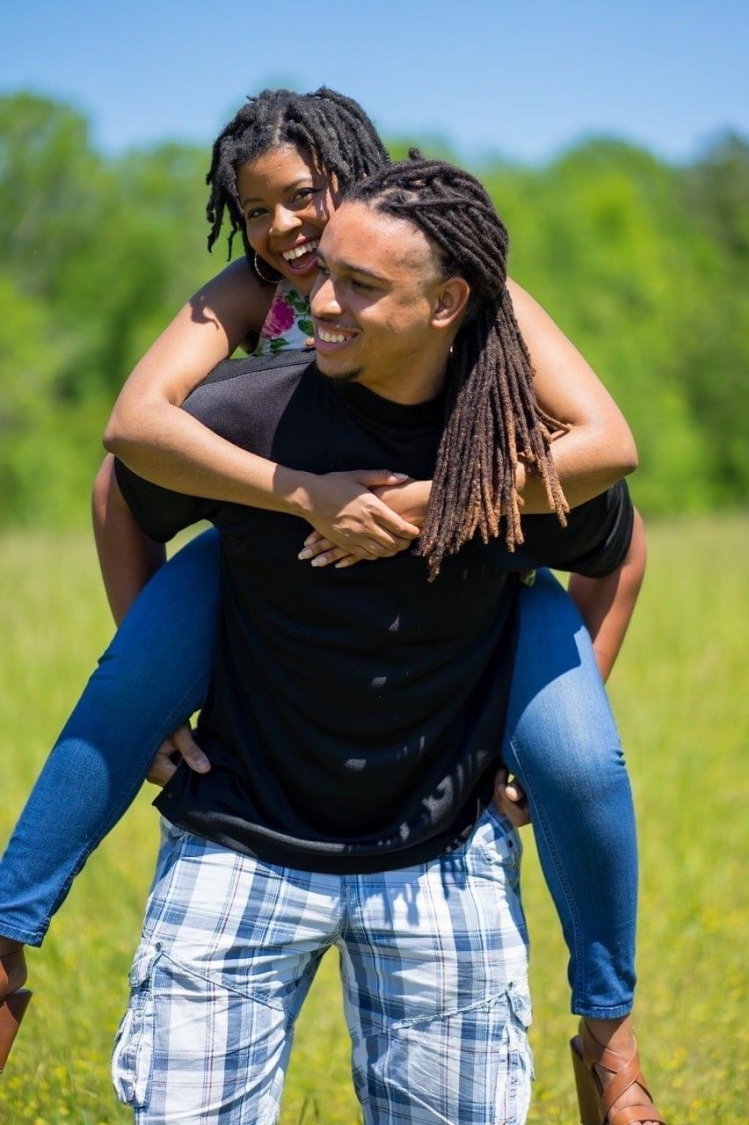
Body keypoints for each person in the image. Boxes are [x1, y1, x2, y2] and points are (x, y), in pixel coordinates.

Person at [0, 90, 661, 1124]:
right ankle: (6, 945)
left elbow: (609, 458)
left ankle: (611, 1038)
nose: (285, 236)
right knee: (133, 687)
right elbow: (127, 445)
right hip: (253, 548)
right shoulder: (253, 306)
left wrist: (441, 500)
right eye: (257, 212)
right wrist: (303, 495)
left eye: (304, 201)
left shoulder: (457, 275)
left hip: (488, 561)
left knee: (578, 759)